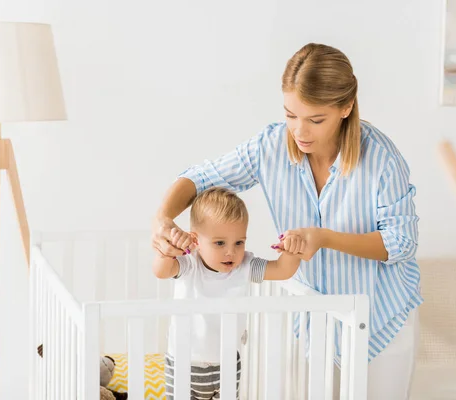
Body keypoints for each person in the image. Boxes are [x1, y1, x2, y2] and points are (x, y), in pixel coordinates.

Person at [152, 43, 423, 399]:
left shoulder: (382, 160)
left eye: (315, 119)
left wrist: (324, 237)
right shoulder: (271, 146)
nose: (300, 131)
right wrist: (162, 218)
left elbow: (401, 243)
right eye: (291, 115)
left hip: (381, 315)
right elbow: (200, 178)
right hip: (314, 317)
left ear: (346, 107)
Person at [153, 187, 305, 400]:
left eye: (239, 242)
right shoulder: (189, 264)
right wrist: (169, 248)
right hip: (183, 364)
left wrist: (292, 250)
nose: (231, 252)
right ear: (195, 240)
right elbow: (161, 271)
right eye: (220, 243)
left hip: (227, 365)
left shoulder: (245, 266)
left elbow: (282, 270)